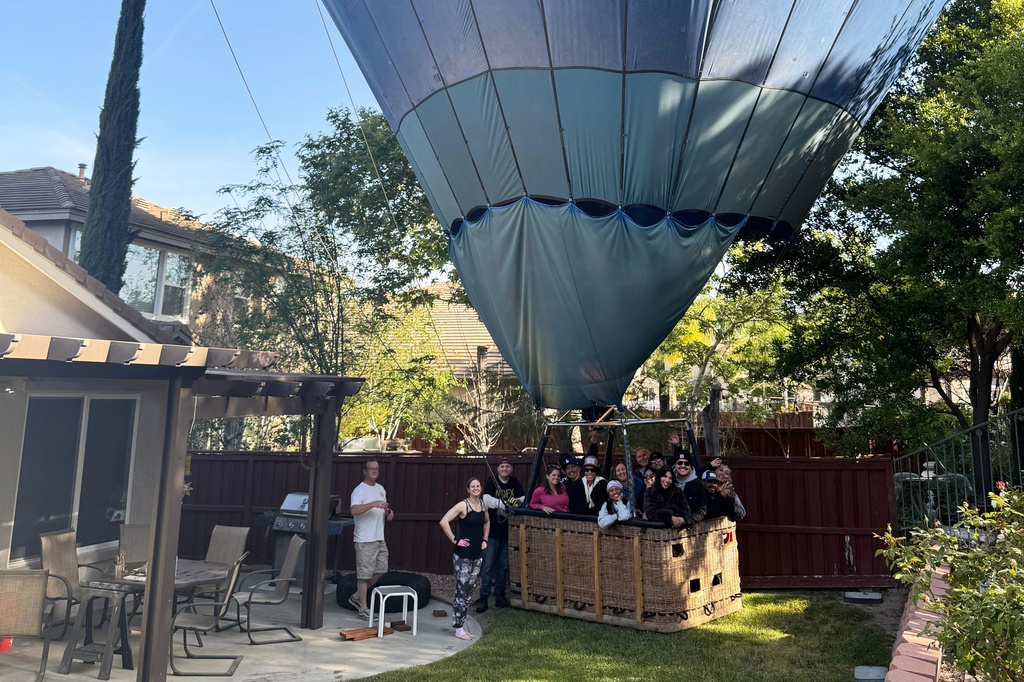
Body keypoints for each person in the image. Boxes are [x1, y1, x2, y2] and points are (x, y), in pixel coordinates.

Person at [439, 477, 489, 641]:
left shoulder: (483, 505)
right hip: (463, 556)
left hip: (477, 555)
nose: (475, 488)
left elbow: (487, 522)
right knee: (461, 591)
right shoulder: (463, 505)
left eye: (478, 486)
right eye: (472, 486)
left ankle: (461, 626)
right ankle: (458, 628)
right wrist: (455, 539)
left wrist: (485, 540)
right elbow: (444, 521)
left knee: (469, 592)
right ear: (468, 489)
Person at [477, 458, 524, 613]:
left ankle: (500, 595)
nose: (505, 468)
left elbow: (523, 498)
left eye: (507, 466)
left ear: (511, 469)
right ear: (498, 469)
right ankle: (484, 596)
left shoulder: (515, 482)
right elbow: (487, 500)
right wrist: (505, 504)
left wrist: (515, 501)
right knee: (488, 565)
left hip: (507, 531)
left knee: (502, 566)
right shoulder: (492, 481)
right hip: (491, 531)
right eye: (502, 466)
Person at [349, 458, 394, 617]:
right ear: (365, 471)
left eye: (377, 468)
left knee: (382, 569)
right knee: (364, 574)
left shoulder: (381, 489)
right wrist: (372, 504)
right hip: (365, 539)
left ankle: (356, 597)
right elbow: (354, 510)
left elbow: (384, 508)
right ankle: (363, 609)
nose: (375, 471)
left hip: (379, 537)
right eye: (371, 468)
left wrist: (388, 514)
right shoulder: (359, 490)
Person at [673, 456, 708, 523]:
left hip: (688, 528)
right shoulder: (668, 480)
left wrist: (684, 520)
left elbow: (701, 511)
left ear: (691, 466)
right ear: (675, 465)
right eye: (680, 463)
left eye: (686, 463)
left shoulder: (697, 485)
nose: (683, 466)